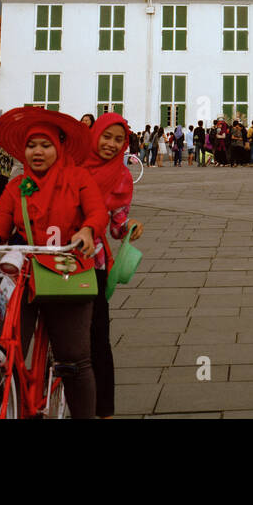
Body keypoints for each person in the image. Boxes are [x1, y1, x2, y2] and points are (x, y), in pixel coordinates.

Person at [0, 107, 105, 419]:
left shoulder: (78, 177)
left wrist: (87, 230)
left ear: (59, 147)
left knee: (73, 358)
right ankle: (9, 401)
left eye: (45, 145)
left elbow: (96, 212)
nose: (37, 152)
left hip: (66, 271)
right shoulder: (16, 186)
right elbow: (0, 222)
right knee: (4, 345)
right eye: (31, 146)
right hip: (24, 272)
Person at [79, 113, 143, 419]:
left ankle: (105, 412)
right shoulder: (72, 165)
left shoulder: (121, 175)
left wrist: (129, 226)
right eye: (106, 136)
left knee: (98, 339)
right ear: (94, 134)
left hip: (94, 261)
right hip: (54, 252)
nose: (111, 144)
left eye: (119, 140)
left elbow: (116, 225)